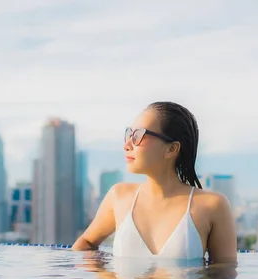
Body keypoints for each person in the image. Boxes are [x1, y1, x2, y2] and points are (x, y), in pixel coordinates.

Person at [72, 101, 237, 263]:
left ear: (171, 149)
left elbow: (224, 274)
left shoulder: (212, 205)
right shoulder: (119, 196)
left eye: (138, 136)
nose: (127, 145)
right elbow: (85, 243)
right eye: (129, 134)